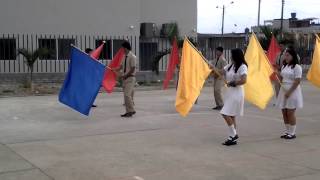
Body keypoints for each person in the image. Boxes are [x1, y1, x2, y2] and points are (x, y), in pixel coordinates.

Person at [214, 48, 248, 146]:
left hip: (237, 92)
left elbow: (244, 80)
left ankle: (233, 134)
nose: (231, 56)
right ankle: (232, 136)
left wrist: (234, 82)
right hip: (230, 92)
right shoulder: (231, 65)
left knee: (224, 112)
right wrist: (212, 68)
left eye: (232, 55)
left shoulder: (242, 66)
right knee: (231, 115)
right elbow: (221, 72)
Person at [275, 48, 303, 139]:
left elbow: (297, 81)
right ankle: (287, 131)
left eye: (288, 55)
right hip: (284, 90)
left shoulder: (297, 67)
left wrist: (289, 92)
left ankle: (292, 132)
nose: (285, 57)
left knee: (290, 112)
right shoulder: (284, 66)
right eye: (285, 55)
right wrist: (277, 75)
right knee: (284, 112)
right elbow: (282, 78)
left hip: (293, 91)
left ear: (293, 56)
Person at [115, 41, 136, 117]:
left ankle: (132, 110)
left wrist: (126, 75)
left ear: (125, 47)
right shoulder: (124, 57)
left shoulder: (132, 56)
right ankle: (128, 112)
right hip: (125, 78)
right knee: (125, 96)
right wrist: (114, 69)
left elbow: (133, 68)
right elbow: (121, 66)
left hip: (130, 78)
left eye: (123, 48)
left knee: (127, 95)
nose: (122, 49)